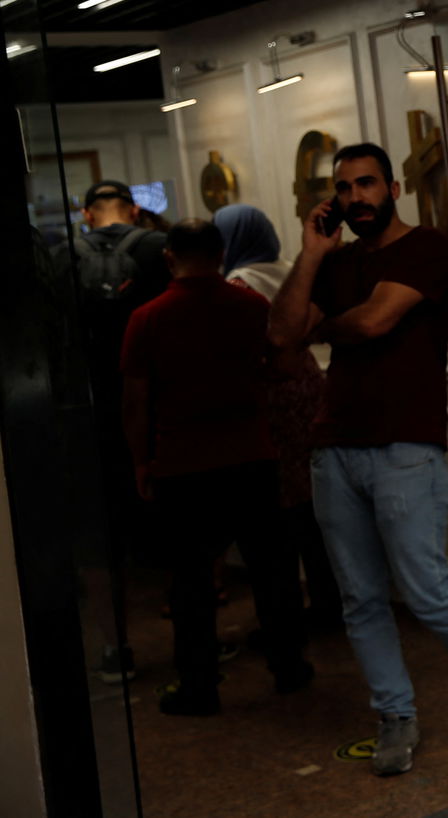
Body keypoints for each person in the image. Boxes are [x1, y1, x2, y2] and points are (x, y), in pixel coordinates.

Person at [267, 142, 448, 777]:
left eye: (367, 184)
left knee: (425, 586)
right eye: (345, 188)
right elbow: (279, 336)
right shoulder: (335, 260)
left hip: (406, 445)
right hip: (333, 448)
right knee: (360, 598)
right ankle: (395, 715)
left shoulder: (426, 247)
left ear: (392, 188)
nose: (356, 198)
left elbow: (376, 322)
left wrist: (319, 330)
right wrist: (312, 253)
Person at [120, 219, 313, 715]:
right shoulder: (248, 306)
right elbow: (280, 365)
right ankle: (289, 668)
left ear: (169, 258)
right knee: (273, 573)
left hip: (183, 464)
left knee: (191, 584)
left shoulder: (147, 318)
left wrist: (142, 460)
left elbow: (136, 401)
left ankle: (199, 687)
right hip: (251, 455)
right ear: (221, 253)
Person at [56, 180, 170, 685]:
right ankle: (190, 645)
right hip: (152, 409)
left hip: (84, 414)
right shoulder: (153, 247)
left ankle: (113, 648)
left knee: (97, 543)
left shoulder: (63, 257)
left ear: (86, 214)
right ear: (134, 209)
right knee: (172, 531)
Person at [215, 204, 342, 634]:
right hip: (309, 388)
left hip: (272, 401)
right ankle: (329, 602)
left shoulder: (237, 283)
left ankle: (290, 614)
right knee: (314, 508)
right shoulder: (289, 269)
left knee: (283, 515)